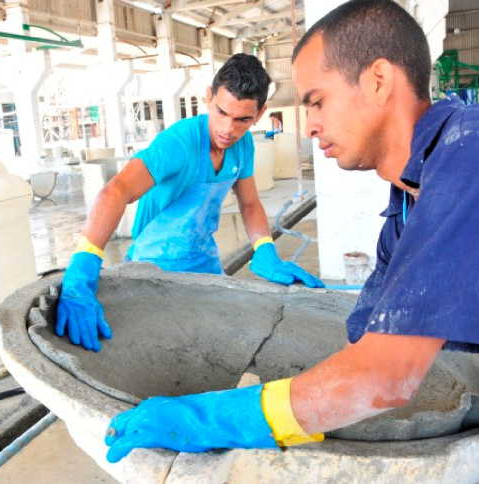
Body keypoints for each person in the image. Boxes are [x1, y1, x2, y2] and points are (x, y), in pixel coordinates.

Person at [103, 0, 479, 463]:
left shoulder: (467, 157)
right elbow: (363, 341)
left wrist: (210, 418)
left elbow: (384, 378)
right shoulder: (406, 207)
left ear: (378, 81)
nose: (311, 126)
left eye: (318, 101)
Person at [56, 54, 323, 353]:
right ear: (208, 98)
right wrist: (84, 263)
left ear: (259, 114)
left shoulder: (243, 145)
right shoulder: (179, 143)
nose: (227, 129)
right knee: (160, 348)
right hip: (152, 267)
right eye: (221, 112)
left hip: (203, 262)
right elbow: (115, 191)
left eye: (242, 120)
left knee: (215, 346)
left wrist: (264, 248)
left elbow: (249, 203)